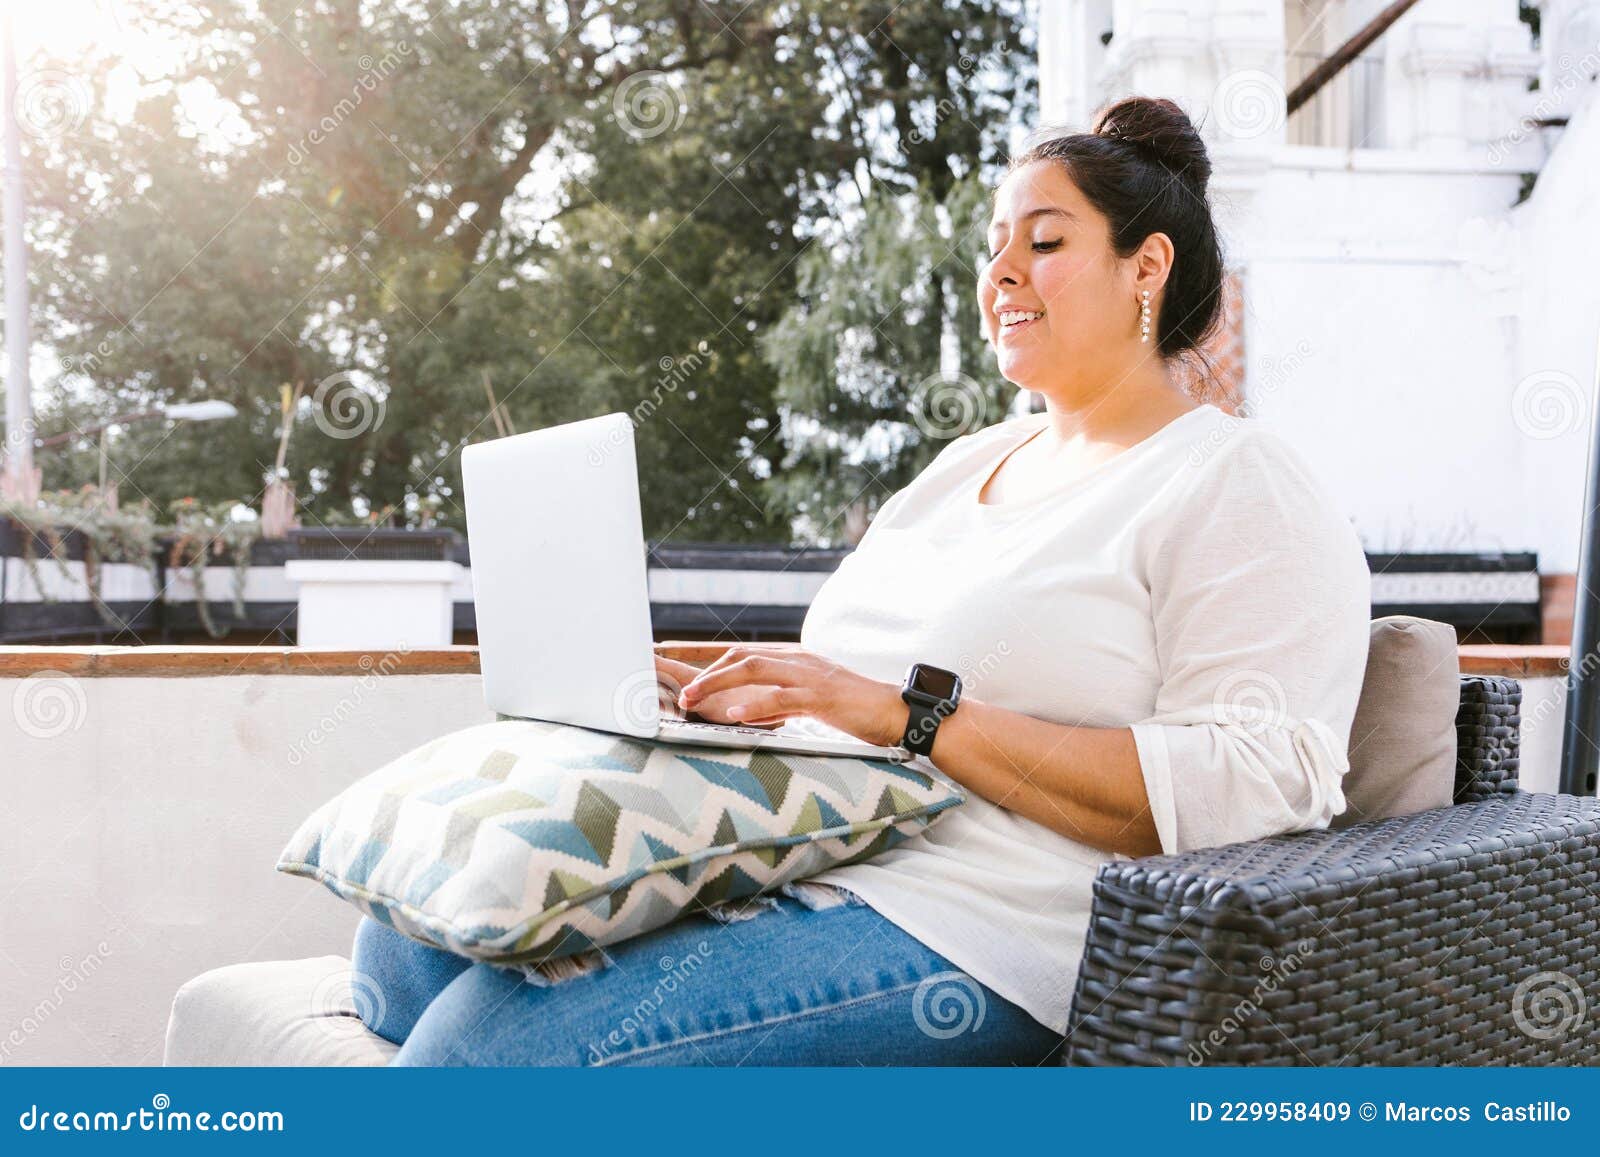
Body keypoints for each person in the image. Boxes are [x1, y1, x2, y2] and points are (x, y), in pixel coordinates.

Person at [352, 95, 1372, 1066]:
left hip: (991, 921)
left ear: (1145, 265)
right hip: (822, 843)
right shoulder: (965, 464)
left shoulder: (1233, 478)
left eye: (1044, 242)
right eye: (993, 246)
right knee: (404, 955)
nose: (1000, 272)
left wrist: (911, 716)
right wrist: (735, 707)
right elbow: (851, 685)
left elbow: (1258, 785)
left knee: (482, 1049)